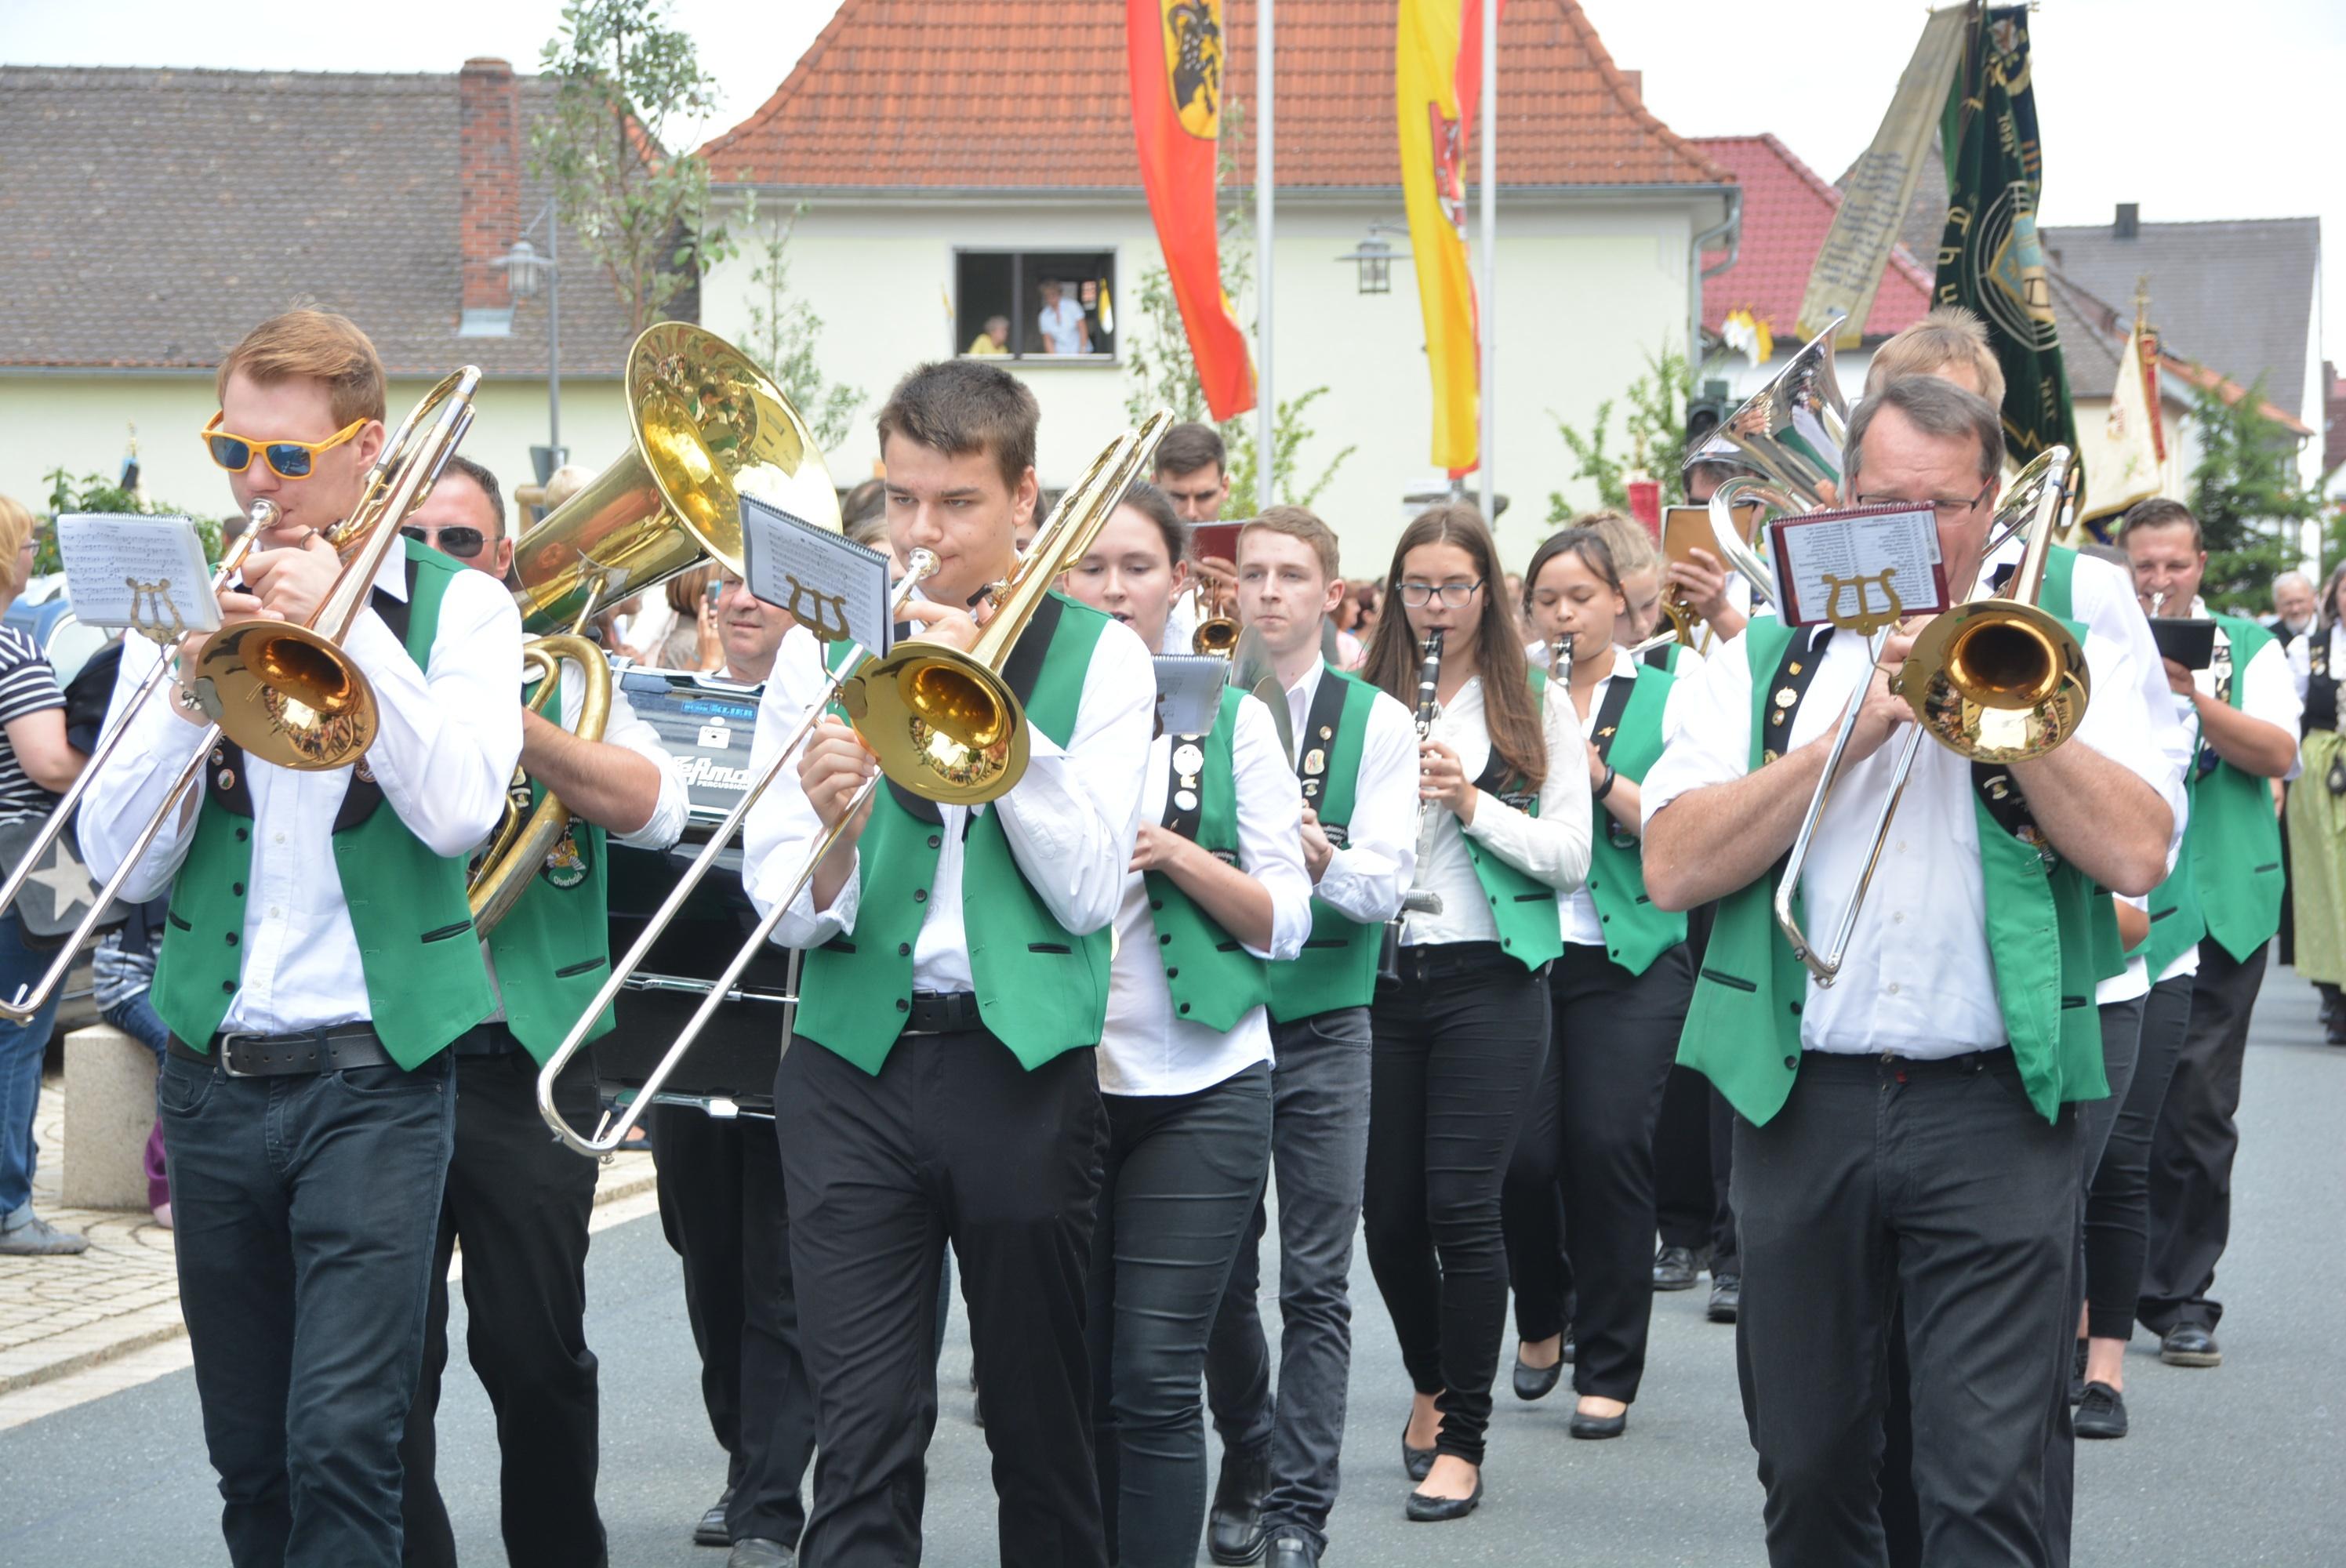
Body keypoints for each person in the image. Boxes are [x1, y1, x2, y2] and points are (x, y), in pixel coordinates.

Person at [1642, 374, 2178, 1567]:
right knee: (1814, 1466)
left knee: (1986, 1479)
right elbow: (1673, 865)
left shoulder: (2064, 627)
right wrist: (1857, 731)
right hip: (1801, 1101)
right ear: (1838, 499)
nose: (1919, 531)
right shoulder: (1765, 641)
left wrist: (2000, 715)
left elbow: (2139, 848)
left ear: (1992, 507)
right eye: (1886, 500)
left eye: (1945, 506)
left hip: (1995, 1101)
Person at [78, 308, 525, 1566]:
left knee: (344, 1439)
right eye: (232, 451)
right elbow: (121, 860)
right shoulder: (181, 601)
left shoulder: (461, 615)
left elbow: (458, 813)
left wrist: (350, 619)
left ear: (362, 450)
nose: (252, 486)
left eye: (284, 459)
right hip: (213, 1075)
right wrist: (187, 678)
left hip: (375, 1077)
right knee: (253, 1458)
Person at [741, 358, 1153, 1567]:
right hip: (851, 1066)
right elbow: (785, 911)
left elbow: (1085, 892)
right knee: (863, 1429)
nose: (922, 534)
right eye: (903, 499)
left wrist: (985, 716)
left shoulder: (1103, 660)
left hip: (1019, 1069)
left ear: (1026, 500)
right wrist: (831, 833)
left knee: (1039, 1422)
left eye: (957, 504)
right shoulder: (817, 656)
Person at [391, 454, 686, 1568]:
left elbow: (654, 810)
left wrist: (499, 722)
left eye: (458, 543)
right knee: (386, 1364)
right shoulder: (344, 669)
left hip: (526, 1064)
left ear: (505, 559)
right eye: (410, 538)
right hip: (387, 1053)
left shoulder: (566, 677)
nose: (430, 560)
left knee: (534, 1356)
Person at [1059, 482, 1309, 1568]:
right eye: (1092, 569)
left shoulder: (1236, 717)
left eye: (1138, 569)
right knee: (1080, 1376)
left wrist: (1173, 850)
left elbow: (1285, 919)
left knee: (1155, 1377)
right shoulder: (1022, 700)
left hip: (1201, 1082)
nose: (1114, 591)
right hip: (1055, 1083)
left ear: (1179, 581)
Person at [1360, 503, 1592, 1523]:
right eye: (1418, 587)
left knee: (1461, 1204)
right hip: (1381, 976)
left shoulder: (1533, 701)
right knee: (1390, 1217)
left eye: (1455, 588)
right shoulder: (1365, 698)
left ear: (1487, 596)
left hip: (1489, 978)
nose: (1435, 607)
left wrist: (1470, 804)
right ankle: (1429, 1376)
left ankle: (1463, 1436)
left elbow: (1570, 858)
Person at [1203, 506, 1417, 1568]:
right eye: (1254, 575)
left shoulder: (1374, 719)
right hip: (1222, 1016)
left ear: (1332, 594)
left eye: (1293, 575)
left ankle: (1297, 1514)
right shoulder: (1203, 701)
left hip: (1329, 1019)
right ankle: (1248, 1444)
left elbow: (1389, 885)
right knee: (1217, 1277)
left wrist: (1309, 851)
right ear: (1233, 591)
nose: (1270, 592)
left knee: (1316, 1281)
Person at [1502, 528, 1697, 1440]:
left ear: (1621, 599)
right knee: (1523, 1155)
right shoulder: (1509, 696)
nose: (1564, 612)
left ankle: (1610, 1362)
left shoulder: (1671, 694)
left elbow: (1681, 825)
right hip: (1528, 948)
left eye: (1582, 594)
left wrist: (1596, 773)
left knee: (1608, 1143)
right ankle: (1542, 1314)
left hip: (1630, 954)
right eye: (1548, 597)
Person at [645, 571, 823, 1567]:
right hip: (687, 1022)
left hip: (800, 1015)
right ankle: (746, 1446)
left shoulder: (834, 700)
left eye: (766, 587)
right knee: (708, 1257)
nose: (740, 602)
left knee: (780, 1267)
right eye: (723, 585)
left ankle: (766, 1494)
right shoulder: (658, 702)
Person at [2121, 499, 2300, 1371]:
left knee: (2196, 1104)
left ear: (2202, 565)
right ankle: (2100, 1289)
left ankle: (2182, 1291)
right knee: (2114, 1102)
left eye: (2173, 566)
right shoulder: (2102, 637)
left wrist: (2193, 697)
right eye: (2144, 566)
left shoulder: (2248, 645)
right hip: (2128, 897)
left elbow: (2275, 753)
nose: (2158, 581)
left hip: (2224, 897)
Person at [0, 492, 91, 1258]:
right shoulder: (13, 647)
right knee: (15, 1036)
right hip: (21, 863)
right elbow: (51, 763)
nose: (35, 557)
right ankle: (9, 1205)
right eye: (28, 544)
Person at [2285, 562, 2346, 1044]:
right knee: (2323, 880)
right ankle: (2334, 995)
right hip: (2324, 771)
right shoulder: (2310, 649)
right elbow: (2291, 717)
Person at [1038, 280, 1091, 355]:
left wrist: (1082, 350)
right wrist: (1053, 358)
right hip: (1061, 355)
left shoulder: (1073, 306)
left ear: (1059, 294)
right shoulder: (1044, 315)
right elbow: (1048, 339)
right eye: (1047, 296)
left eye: (1053, 294)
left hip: (1081, 351)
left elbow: (1082, 328)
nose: (1050, 298)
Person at [2266, 570, 2316, 641]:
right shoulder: (2269, 638)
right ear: (2277, 606)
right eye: (2288, 603)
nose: (2295, 609)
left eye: (2300, 601)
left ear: (2314, 598)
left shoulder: (2332, 631)